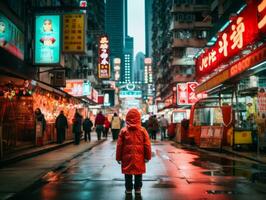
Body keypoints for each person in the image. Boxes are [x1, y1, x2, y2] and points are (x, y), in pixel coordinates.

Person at [116, 108, 152, 195]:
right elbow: (147, 145)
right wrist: (148, 157)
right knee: (138, 173)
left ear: (127, 118)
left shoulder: (123, 131)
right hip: (139, 157)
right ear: (139, 118)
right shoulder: (143, 130)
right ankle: (138, 189)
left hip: (126, 157)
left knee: (128, 173)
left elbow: (119, 146)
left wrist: (118, 157)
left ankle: (128, 189)